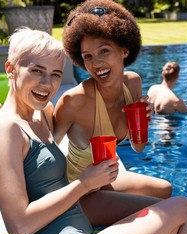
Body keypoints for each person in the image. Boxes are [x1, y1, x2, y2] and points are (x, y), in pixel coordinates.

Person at [0, 27, 187, 234]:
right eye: (37, 71)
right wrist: (84, 184)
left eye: (55, 74)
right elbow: (18, 226)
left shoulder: (41, 114)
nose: (47, 84)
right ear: (11, 69)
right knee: (182, 208)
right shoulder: (4, 128)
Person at [54, 0, 171, 199]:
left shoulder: (132, 83)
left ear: (124, 50)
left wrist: (143, 119)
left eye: (104, 51)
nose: (96, 63)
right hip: (78, 192)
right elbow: (42, 156)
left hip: (107, 181)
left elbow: (138, 147)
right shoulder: (74, 101)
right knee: (163, 210)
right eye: (87, 56)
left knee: (165, 190)